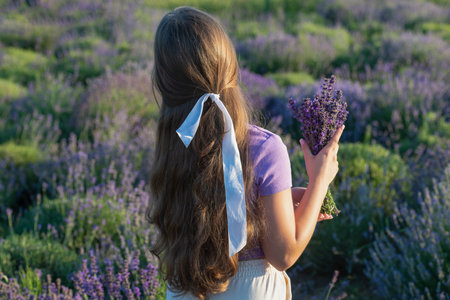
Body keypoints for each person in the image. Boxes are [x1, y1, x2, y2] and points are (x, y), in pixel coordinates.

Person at [148, 6, 343, 300]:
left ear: (164, 82)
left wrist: (269, 204)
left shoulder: (174, 143)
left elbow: (210, 207)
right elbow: (283, 254)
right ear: (232, 68)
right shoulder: (264, 148)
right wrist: (320, 180)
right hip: (250, 290)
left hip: (185, 289)